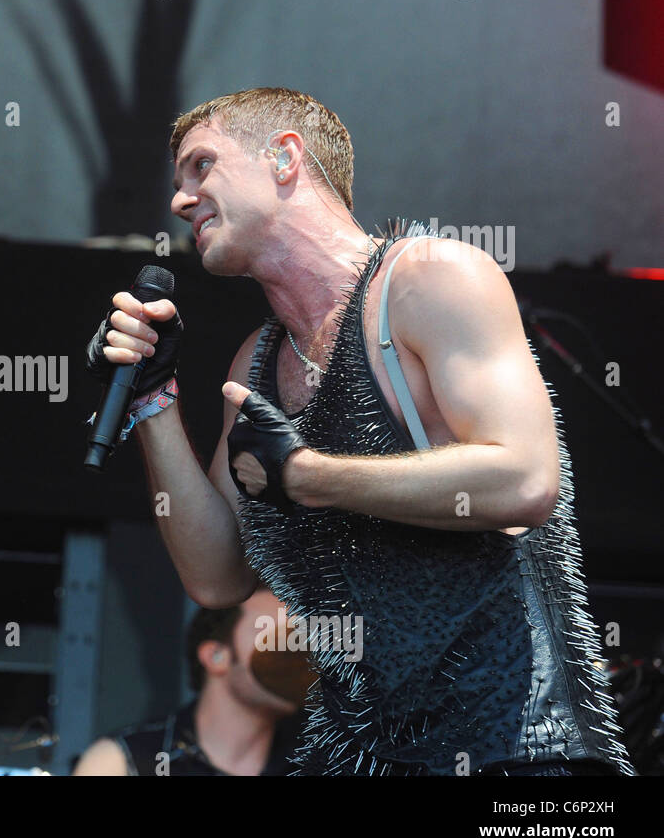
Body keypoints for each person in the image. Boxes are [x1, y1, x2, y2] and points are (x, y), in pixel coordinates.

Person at [86, 87, 634, 776]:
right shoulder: (252, 365)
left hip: (520, 751)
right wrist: (152, 401)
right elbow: (217, 577)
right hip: (362, 758)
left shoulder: (429, 281)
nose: (181, 199)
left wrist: (311, 475)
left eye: (201, 167)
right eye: (178, 182)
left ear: (285, 158)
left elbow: (525, 478)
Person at [73, 587, 305, 776]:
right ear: (216, 657)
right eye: (276, 636)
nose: (296, 653)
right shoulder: (121, 762)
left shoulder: (321, 762)